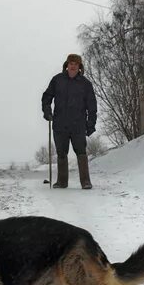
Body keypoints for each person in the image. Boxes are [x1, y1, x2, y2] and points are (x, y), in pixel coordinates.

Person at [41, 53, 97, 189]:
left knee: (81, 152)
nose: (73, 66)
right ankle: (62, 181)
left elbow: (92, 105)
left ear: (79, 67)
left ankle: (85, 181)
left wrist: (91, 124)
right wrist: (47, 111)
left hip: (78, 124)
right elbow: (47, 97)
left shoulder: (85, 84)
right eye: (71, 64)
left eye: (76, 64)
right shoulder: (57, 80)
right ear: (67, 65)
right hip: (60, 123)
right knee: (61, 152)